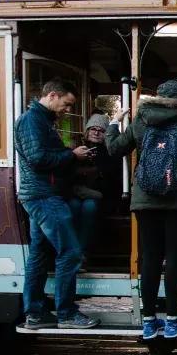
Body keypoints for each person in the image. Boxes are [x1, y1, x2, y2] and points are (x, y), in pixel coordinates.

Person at [106, 79, 177, 339]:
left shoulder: (142, 119)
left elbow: (114, 148)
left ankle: (149, 322)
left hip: (146, 198)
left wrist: (112, 125)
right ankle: (173, 320)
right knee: (175, 258)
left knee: (150, 258)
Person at [15, 78, 100, 330]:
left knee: (39, 255)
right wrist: (71, 155)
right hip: (44, 197)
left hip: (40, 195)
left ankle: (35, 314)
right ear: (52, 95)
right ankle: (66, 313)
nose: (68, 110)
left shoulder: (39, 120)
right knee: (71, 252)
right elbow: (39, 158)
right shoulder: (32, 121)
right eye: (67, 103)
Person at [68, 113, 122, 267]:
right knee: (73, 206)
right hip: (76, 193)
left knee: (89, 207)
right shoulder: (76, 148)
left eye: (101, 130)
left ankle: (82, 253)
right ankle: (71, 251)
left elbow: (112, 180)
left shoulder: (110, 151)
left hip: (100, 195)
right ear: (87, 131)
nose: (96, 132)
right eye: (93, 129)